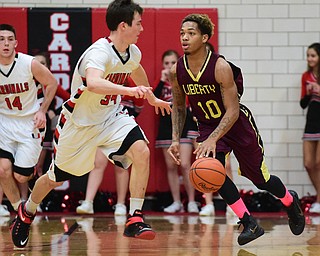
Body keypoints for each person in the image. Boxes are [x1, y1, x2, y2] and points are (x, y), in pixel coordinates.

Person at [10, 0, 171, 248]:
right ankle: (27, 212)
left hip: (110, 116)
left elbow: (135, 69)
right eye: (138, 23)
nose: (141, 28)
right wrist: (129, 91)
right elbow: (94, 83)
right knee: (54, 178)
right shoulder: (99, 53)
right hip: (79, 124)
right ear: (123, 25)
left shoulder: (132, 50)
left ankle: (135, 217)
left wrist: (150, 95)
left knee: (141, 150)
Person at [167, 13, 305, 246]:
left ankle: (290, 200)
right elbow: (178, 106)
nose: (184, 38)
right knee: (214, 172)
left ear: (205, 37)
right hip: (208, 125)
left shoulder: (220, 66)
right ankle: (248, 221)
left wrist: (211, 139)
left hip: (237, 125)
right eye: (182, 33)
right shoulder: (177, 70)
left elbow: (232, 111)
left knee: (260, 180)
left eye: (191, 33)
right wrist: (175, 139)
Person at [0, 24, 57, 218]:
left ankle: (32, 176)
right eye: (1, 39)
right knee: (2, 169)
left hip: (28, 122)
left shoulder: (28, 63)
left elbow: (51, 83)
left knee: (20, 175)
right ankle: (20, 212)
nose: (5, 43)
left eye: (9, 39)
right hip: (4, 122)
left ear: (16, 43)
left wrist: (42, 111)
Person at [76, 77, 144, 216]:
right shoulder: (103, 78)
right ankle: (88, 202)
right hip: (103, 125)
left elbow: (139, 105)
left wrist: (128, 83)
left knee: (121, 166)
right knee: (98, 163)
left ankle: (120, 204)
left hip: (123, 127)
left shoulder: (130, 80)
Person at [154, 50, 199, 213]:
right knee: (171, 166)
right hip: (166, 127)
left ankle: (192, 201)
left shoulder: (184, 79)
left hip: (184, 126)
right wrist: (161, 81)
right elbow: (153, 100)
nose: (169, 66)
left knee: (185, 164)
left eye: (173, 62)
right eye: (166, 63)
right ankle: (176, 202)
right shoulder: (162, 83)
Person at [300, 42, 320, 214]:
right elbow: (302, 104)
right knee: (308, 163)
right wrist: (308, 93)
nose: (309, 58)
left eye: (313, 55)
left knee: (319, 162)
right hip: (311, 121)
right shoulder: (306, 76)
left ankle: (319, 199)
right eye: (308, 55)